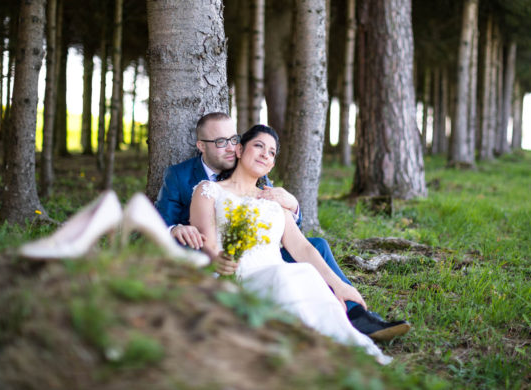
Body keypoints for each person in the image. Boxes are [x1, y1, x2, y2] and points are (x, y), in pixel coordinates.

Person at [155, 113, 410, 341]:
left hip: (264, 255)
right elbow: (163, 221)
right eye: (221, 142)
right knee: (290, 276)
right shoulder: (184, 178)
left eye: (233, 139)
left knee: (314, 249)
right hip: (217, 257)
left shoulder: (256, 171)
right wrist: (175, 228)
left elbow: (275, 220)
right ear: (201, 146)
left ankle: (354, 313)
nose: (230, 148)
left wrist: (294, 205)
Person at [190, 124, 392, 364]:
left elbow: (303, 247)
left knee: (303, 273)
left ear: (272, 164)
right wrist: (219, 260)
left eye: (272, 152)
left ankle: (339, 347)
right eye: (259, 146)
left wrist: (340, 286)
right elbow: (207, 243)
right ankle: (308, 351)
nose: (266, 154)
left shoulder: (274, 201)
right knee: (287, 277)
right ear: (240, 150)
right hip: (238, 276)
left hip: (281, 272)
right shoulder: (209, 190)